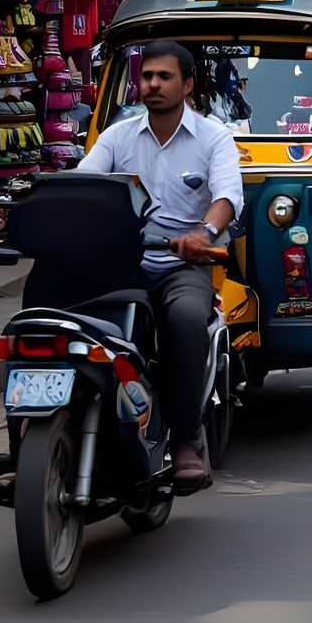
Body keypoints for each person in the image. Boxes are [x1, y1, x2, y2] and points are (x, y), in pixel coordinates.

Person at [81, 40, 242, 492]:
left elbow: (228, 196)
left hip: (182, 267)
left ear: (187, 85)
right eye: (147, 76)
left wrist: (202, 235)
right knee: (51, 314)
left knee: (187, 319)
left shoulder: (215, 138)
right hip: (121, 263)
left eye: (164, 76)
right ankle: (33, 434)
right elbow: (85, 183)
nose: (152, 84)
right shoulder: (117, 135)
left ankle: (188, 441)